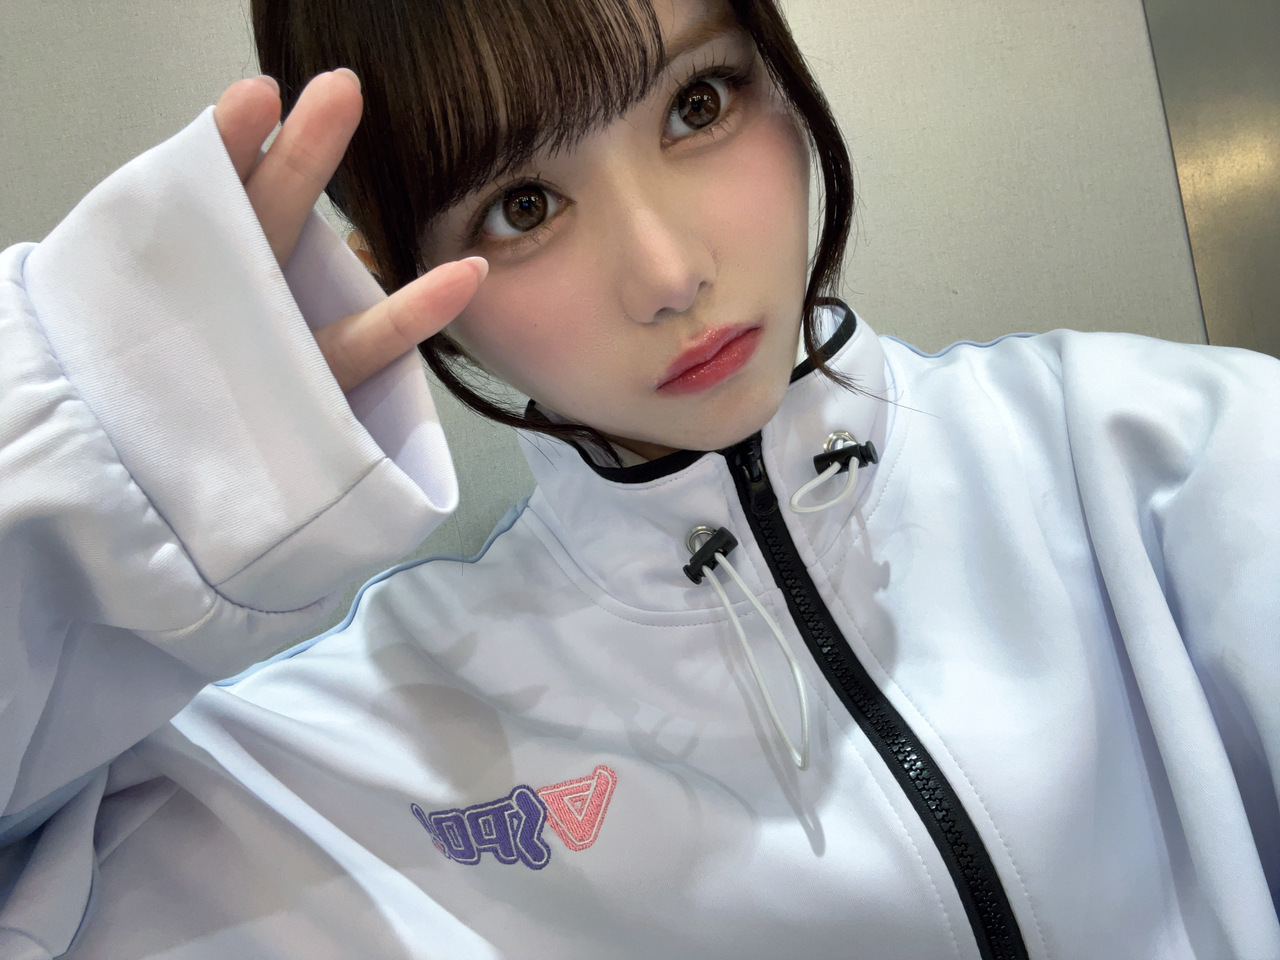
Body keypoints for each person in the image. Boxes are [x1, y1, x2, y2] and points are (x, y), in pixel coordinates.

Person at [1, 0, 1277, 956]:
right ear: (399, 281)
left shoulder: (1149, 453)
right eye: (521, 206)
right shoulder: (344, 767)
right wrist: (86, 502)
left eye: (697, 104)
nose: (668, 273)